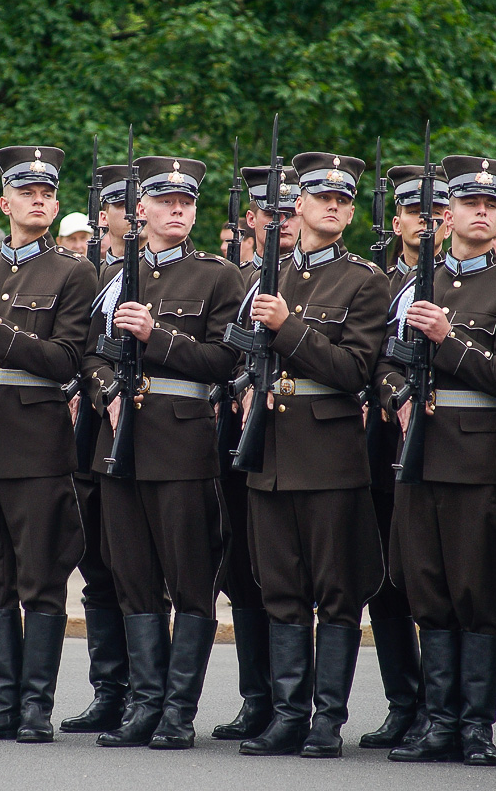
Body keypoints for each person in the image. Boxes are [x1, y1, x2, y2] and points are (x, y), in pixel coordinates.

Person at [377, 154, 496, 766]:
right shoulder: (413, 283)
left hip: (475, 458)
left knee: (477, 592)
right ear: (446, 215)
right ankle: (438, 723)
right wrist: (397, 400)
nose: (481, 214)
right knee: (428, 589)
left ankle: (475, 727)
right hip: (419, 452)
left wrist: (450, 339)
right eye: (470, 204)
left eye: (491, 206)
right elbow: (385, 365)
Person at [82, 155, 242, 750]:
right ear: (138, 210)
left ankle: (178, 711)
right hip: (121, 444)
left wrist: (159, 337)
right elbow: (91, 356)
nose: (178, 211)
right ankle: (144, 706)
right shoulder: (111, 276)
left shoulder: (218, 276)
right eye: (166, 202)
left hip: (182, 445)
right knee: (133, 577)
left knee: (190, 580)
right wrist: (106, 393)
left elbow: (227, 362)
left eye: (187, 203)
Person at [234, 151, 389, 758]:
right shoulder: (262, 275)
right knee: (281, 589)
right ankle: (289, 713)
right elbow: (236, 359)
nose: (333, 206)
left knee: (336, 590)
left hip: (328, 456)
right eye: (322, 196)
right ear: (296, 206)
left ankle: (326, 719)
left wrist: (290, 327)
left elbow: (355, 370)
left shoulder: (364, 280)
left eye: (343, 200)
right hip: (269, 452)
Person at [0, 144, 96, 744]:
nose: (39, 200)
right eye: (27, 192)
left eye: (48, 194)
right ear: (3, 203)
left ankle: (35, 707)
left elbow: (67, 361)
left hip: (36, 440)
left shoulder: (73, 271)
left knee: (40, 576)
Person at [353, 163, 450, 752]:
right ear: (397, 222)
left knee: (431, 578)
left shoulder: (457, 285)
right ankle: (402, 702)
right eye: (416, 213)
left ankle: (441, 708)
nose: (427, 223)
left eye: (437, 213)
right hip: (377, 448)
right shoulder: (378, 284)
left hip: (439, 448)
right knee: (386, 583)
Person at [207, 164, 299, 744]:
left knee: (284, 574)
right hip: (234, 439)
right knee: (242, 572)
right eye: (272, 212)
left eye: (291, 211)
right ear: (252, 219)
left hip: (291, 438)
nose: (283, 221)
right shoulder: (235, 279)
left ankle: (291, 703)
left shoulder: (310, 277)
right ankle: (255, 697)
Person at [59, 164, 132, 734]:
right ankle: (109, 689)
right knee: (97, 567)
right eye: (119, 204)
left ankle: (142, 694)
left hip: (129, 435)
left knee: (135, 566)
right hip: (83, 440)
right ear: (101, 214)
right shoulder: (88, 273)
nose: (130, 214)